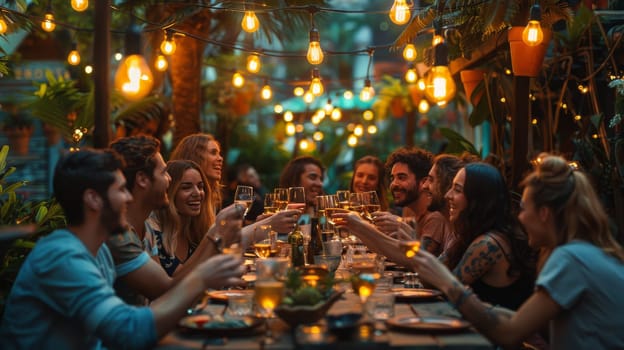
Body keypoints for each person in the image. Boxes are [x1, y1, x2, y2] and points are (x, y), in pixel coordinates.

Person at [0, 149, 245, 349]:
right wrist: (200, 279)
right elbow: (128, 332)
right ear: (93, 199)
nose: (129, 198)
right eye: (120, 190)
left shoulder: (100, 251)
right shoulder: (61, 257)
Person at [412, 153, 624, 349]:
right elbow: (518, 319)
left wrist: (449, 284)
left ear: (544, 213)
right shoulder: (581, 252)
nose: (519, 218)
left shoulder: (571, 259)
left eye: (523, 208)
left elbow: (510, 333)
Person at [108, 136, 241, 305]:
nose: (169, 180)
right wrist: (216, 235)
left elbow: (165, 286)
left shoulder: (145, 230)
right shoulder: (120, 237)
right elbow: (166, 291)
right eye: (164, 173)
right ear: (142, 179)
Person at [147, 160, 231, 277]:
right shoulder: (154, 232)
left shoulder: (196, 228)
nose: (197, 193)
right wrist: (214, 234)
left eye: (200, 187)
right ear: (170, 192)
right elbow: (180, 279)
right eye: (186, 188)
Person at [372, 146, 451, 256]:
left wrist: (399, 225)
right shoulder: (408, 210)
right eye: (392, 178)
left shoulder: (434, 217)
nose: (393, 184)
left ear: (423, 182)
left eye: (401, 177)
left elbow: (418, 259)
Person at [421, 153, 478, 251]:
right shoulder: (453, 230)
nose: (424, 186)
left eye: (431, 180)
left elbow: (420, 260)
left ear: (447, 184)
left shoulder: (468, 235)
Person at [170, 133, 224, 212]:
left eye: (219, 154)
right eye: (213, 153)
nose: (220, 159)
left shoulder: (211, 199)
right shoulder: (178, 201)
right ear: (196, 156)